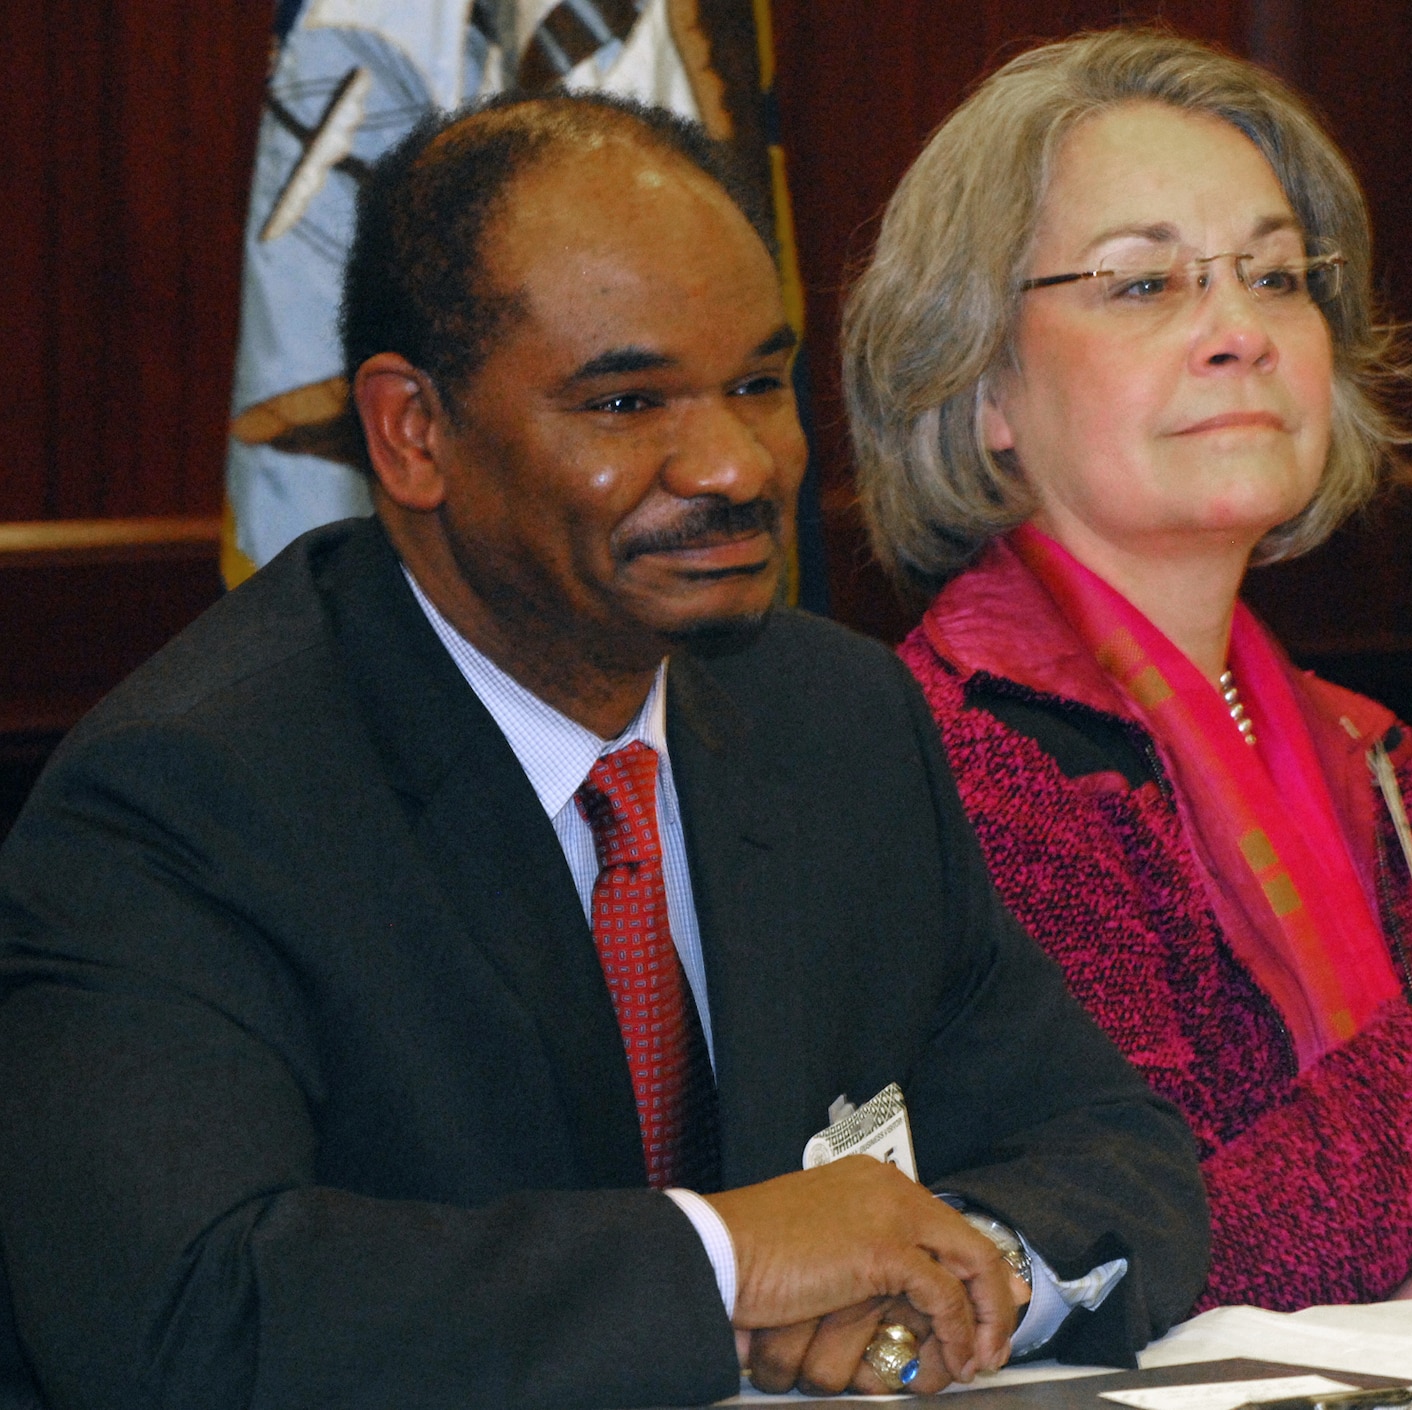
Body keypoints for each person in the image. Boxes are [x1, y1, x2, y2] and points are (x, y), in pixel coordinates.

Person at [0, 93, 1208, 1410]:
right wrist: (730, 1262)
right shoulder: (194, 795)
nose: (739, 465)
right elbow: (183, 1316)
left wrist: (950, 1273)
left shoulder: (834, 719)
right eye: (627, 399)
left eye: (760, 382)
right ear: (414, 433)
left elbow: (1113, 1149)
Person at [844, 28, 1412, 1311]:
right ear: (982, 384)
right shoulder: (955, 758)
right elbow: (1137, 1262)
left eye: (1273, 276)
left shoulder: (1374, 759)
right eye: (1145, 286)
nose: (1237, 334)